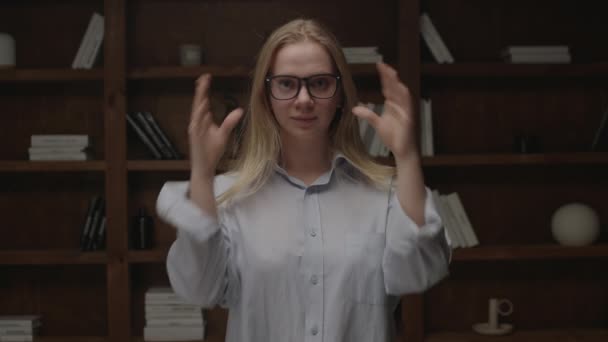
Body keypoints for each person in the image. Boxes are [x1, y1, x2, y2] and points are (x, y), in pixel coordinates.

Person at [156, 18, 451, 342]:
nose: (304, 99)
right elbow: (199, 288)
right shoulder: (226, 198)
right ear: (266, 96)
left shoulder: (386, 196)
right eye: (286, 84)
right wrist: (201, 172)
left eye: (320, 83)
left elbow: (417, 274)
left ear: (339, 94)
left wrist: (407, 156)